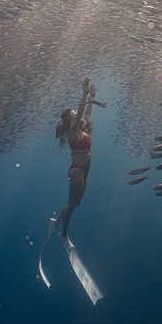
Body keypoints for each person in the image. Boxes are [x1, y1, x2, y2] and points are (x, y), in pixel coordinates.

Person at [52, 77, 97, 251]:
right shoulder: (72, 131)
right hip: (77, 172)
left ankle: (56, 222)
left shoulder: (79, 129)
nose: (77, 117)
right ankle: (63, 233)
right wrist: (84, 94)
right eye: (73, 116)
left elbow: (86, 114)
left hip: (84, 172)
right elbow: (80, 113)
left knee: (76, 204)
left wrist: (92, 97)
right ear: (69, 120)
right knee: (71, 203)